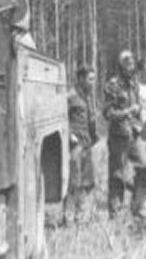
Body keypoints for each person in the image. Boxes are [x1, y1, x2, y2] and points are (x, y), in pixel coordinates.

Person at [103, 50, 146, 220]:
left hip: (134, 134)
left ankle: (138, 208)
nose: (131, 66)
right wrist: (127, 111)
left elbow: (137, 108)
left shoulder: (135, 84)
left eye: (132, 63)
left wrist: (139, 121)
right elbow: (107, 113)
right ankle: (115, 214)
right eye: (127, 63)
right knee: (117, 175)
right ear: (121, 66)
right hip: (118, 136)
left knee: (143, 168)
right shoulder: (113, 85)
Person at [63, 66, 98, 224]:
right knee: (73, 180)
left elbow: (90, 119)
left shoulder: (87, 96)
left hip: (86, 143)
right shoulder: (70, 96)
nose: (93, 82)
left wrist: (94, 137)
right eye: (90, 79)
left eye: (93, 79)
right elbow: (62, 117)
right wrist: (70, 134)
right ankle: (68, 216)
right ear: (81, 78)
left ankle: (81, 215)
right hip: (75, 144)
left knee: (85, 180)